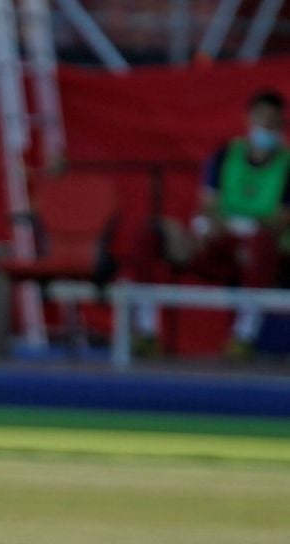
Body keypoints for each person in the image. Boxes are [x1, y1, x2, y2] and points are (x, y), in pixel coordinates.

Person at [132, 88, 290, 360]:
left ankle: (243, 338)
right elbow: (207, 204)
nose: (265, 126)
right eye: (261, 118)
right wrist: (207, 225)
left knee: (259, 243)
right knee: (151, 233)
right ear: (248, 119)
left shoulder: (287, 164)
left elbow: (281, 220)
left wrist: (241, 226)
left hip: (263, 251)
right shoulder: (226, 154)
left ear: (281, 124)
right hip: (217, 242)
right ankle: (146, 332)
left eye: (272, 120)